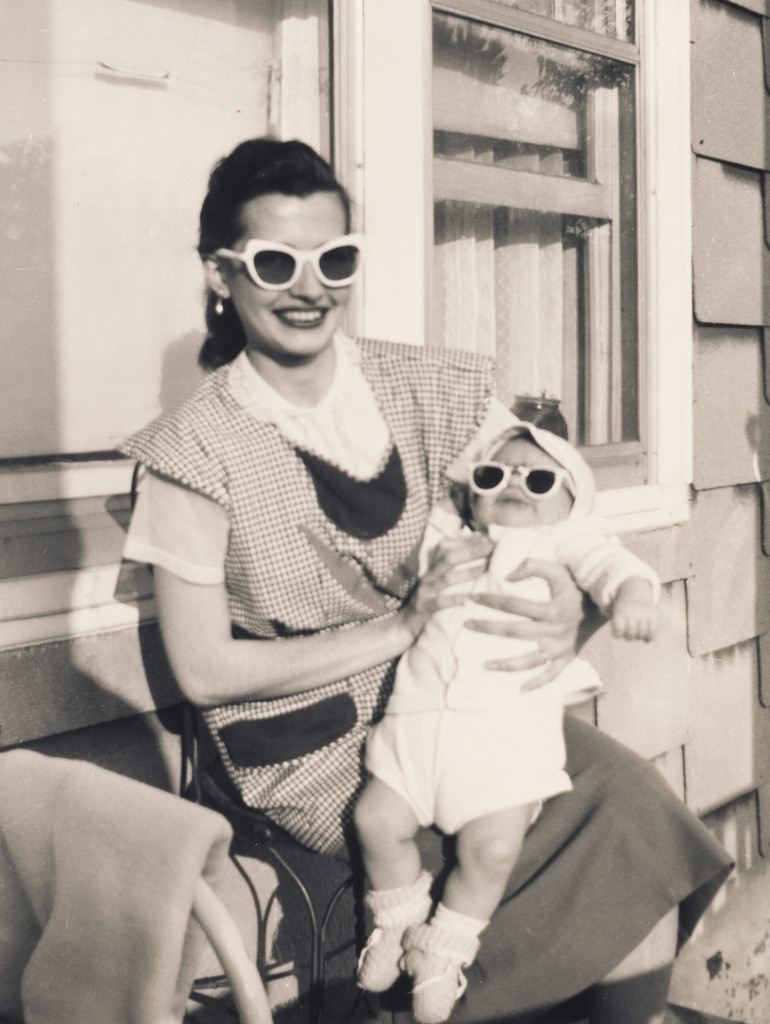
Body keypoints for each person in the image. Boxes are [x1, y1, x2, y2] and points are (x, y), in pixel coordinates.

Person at [120, 137, 732, 1024]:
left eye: (333, 259)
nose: (309, 288)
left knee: (629, 801)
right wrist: (399, 628)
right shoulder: (192, 452)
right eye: (275, 263)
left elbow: (556, 510)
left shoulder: (426, 387)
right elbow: (205, 672)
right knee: (460, 850)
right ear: (222, 273)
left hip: (465, 699)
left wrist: (575, 615)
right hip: (312, 739)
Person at [354, 421, 660, 1023]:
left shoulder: (562, 542)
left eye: (539, 480)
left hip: (503, 740)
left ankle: (444, 947)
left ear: (572, 503)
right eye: (493, 476)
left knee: (493, 849)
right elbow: (426, 500)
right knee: (375, 819)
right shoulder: (449, 539)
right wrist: (462, 492)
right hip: (416, 727)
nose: (514, 486)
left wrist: (632, 596)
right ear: (471, 498)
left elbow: (612, 563)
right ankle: (397, 922)